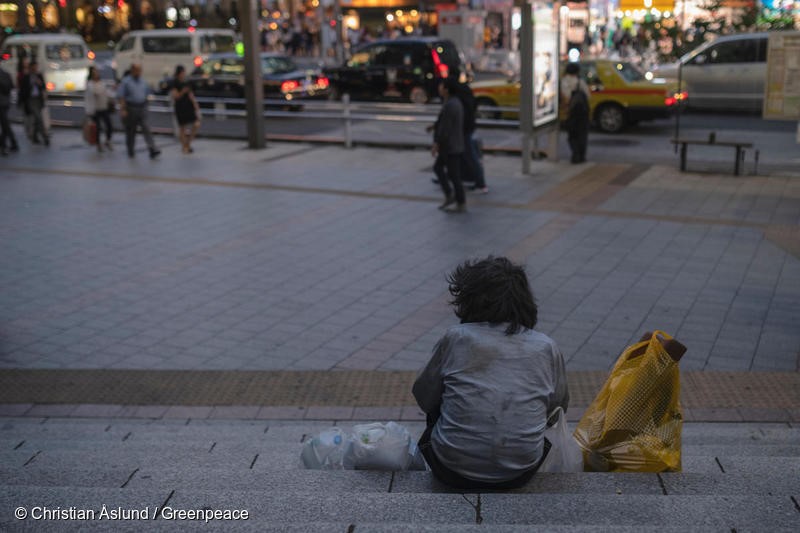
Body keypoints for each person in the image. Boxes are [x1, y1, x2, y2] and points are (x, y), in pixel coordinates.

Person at [413, 256, 569, 489]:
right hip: (520, 472)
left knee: (439, 402)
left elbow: (424, 398)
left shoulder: (456, 338)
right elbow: (557, 408)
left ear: (468, 299)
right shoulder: (546, 347)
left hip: (451, 470)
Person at [431, 77, 466, 213]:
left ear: (446, 89)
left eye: (441, 86)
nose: (439, 88)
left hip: (450, 146)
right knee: (442, 169)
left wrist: (437, 143)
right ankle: (451, 196)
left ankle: (459, 200)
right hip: (454, 144)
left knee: (452, 174)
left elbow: (445, 128)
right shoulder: (453, 102)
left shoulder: (450, 105)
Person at [117, 63, 160, 159]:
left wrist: (147, 102)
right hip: (131, 107)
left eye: (140, 70)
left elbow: (147, 93)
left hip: (142, 107)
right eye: (137, 70)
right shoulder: (126, 82)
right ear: (132, 70)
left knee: (146, 128)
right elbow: (121, 96)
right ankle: (130, 149)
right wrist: (123, 109)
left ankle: (152, 148)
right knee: (131, 130)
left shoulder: (143, 81)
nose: (139, 72)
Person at [454, 82, 488, 194]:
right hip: (468, 128)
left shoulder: (458, 101)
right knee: (466, 155)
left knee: (470, 156)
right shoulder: (468, 98)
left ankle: (480, 184)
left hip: (464, 130)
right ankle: (465, 178)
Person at [561, 62, 590, 164]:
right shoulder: (580, 82)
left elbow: (566, 97)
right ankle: (582, 156)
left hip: (571, 112)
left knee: (572, 134)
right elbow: (587, 95)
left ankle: (575, 154)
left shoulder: (564, 82)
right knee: (582, 134)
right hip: (582, 112)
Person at [170, 65, 200, 154]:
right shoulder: (175, 83)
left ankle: (188, 143)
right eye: (182, 72)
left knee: (196, 124)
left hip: (188, 106)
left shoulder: (186, 82)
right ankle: (185, 146)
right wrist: (183, 91)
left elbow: (190, 94)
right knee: (182, 127)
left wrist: (195, 104)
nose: (183, 74)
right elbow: (175, 96)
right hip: (180, 106)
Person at [19, 61, 49, 146]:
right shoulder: (26, 77)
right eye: (34, 67)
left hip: (38, 99)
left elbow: (43, 87)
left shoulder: (39, 76)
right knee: (38, 117)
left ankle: (35, 136)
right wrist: (21, 102)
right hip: (30, 100)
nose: (35, 69)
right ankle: (45, 136)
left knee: (36, 118)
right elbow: (22, 91)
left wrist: (40, 84)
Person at [84, 66, 114, 152]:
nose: (96, 74)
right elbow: (96, 92)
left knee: (109, 125)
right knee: (97, 127)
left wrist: (112, 93)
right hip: (95, 110)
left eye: (97, 72)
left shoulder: (102, 83)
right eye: (94, 73)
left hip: (103, 107)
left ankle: (108, 140)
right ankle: (98, 144)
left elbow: (107, 93)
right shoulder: (90, 84)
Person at [0, 56, 19, 155]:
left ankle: (6, 145)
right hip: (4, 102)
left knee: (5, 124)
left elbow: (9, 87)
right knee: (5, 124)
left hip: (2, 102)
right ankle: (11, 143)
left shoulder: (4, 75)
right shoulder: (6, 74)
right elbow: (11, 87)